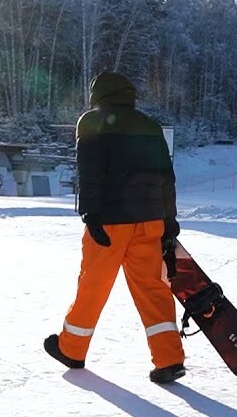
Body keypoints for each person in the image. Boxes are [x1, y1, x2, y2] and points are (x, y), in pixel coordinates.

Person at [43, 72, 185, 383]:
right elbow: (166, 176)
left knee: (93, 285)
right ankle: (169, 358)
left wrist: (89, 214)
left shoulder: (92, 121)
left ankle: (72, 348)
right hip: (150, 220)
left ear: (98, 95)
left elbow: (89, 172)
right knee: (153, 289)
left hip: (109, 222)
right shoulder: (150, 126)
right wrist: (169, 219)